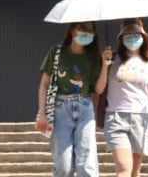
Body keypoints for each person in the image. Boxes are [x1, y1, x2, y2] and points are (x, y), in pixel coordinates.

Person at [102, 19, 148, 177]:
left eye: (136, 34)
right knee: (124, 168)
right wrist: (103, 63)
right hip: (115, 117)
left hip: (141, 118)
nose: (132, 38)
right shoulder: (112, 58)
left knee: (135, 172)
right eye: (127, 35)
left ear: (144, 36)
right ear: (121, 38)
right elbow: (99, 87)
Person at [36, 21, 108, 177]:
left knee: (86, 166)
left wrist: (105, 65)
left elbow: (99, 89)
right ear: (72, 30)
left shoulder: (94, 57)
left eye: (90, 30)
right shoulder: (56, 53)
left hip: (85, 108)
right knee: (64, 166)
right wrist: (42, 113)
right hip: (60, 108)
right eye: (82, 28)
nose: (86, 33)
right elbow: (43, 85)